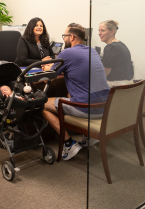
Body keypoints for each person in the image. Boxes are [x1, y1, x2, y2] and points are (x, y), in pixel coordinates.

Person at [42, 23, 110, 160]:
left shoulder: (66, 53)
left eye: (65, 36)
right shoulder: (92, 51)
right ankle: (88, 136)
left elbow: (47, 78)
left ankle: (69, 144)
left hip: (87, 108)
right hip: (105, 106)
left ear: (72, 37)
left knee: (42, 104)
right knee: (69, 94)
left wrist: (44, 65)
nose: (64, 39)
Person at [99, 20, 134, 88]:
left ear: (112, 31)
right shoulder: (121, 44)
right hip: (128, 86)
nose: (99, 33)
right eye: (99, 30)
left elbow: (105, 73)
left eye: (102, 30)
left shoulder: (110, 47)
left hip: (117, 87)